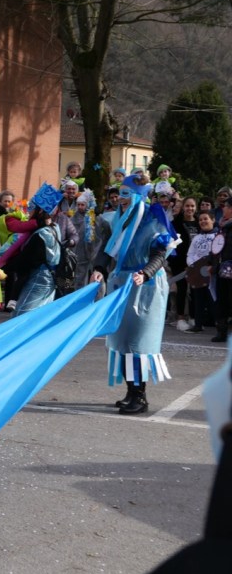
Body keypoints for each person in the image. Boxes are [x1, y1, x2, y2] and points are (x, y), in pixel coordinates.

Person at [91, 174, 179, 414]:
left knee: (139, 343)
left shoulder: (153, 221)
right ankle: (131, 391)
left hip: (146, 288)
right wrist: (99, 270)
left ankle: (140, 396)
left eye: (126, 194)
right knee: (122, 341)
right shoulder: (118, 220)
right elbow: (108, 249)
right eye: (119, 193)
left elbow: (159, 255)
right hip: (122, 285)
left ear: (139, 196)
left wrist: (145, 273)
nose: (120, 198)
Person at [8, 187, 62, 317]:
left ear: (40, 210)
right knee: (40, 317)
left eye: (31, 208)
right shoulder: (55, 228)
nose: (28, 212)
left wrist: (6, 263)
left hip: (39, 279)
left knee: (20, 317)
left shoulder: (40, 234)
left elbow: (26, 261)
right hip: (50, 278)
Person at [185, 210, 217, 334]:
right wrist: (193, 266)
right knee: (198, 299)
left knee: (213, 298)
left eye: (205, 219)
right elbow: (190, 254)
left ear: (213, 220)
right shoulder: (197, 238)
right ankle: (198, 325)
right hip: (197, 273)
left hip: (211, 272)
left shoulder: (218, 236)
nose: (203, 221)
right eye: (200, 220)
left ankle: (219, 325)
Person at [170, 196, 199, 331]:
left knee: (194, 290)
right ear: (183, 207)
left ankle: (193, 317)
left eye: (192, 206)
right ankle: (180, 319)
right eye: (187, 206)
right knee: (181, 289)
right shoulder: (175, 223)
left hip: (197, 263)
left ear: (196, 208)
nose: (190, 208)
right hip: (180, 262)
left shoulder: (199, 222)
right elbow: (173, 245)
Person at [211, 197, 232, 343]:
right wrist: (211, 263)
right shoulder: (222, 226)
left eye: (225, 206)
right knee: (221, 301)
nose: (223, 208)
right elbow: (216, 247)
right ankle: (221, 331)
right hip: (221, 269)